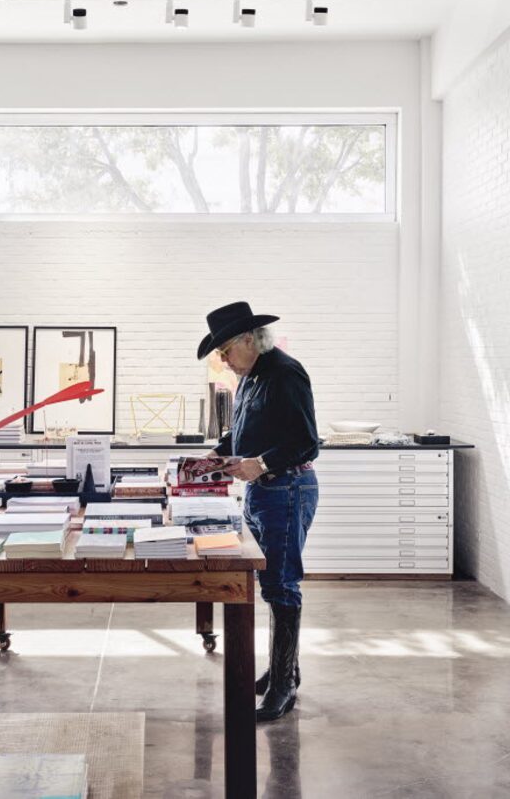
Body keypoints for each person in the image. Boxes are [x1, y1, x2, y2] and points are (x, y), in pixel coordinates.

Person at [197, 301, 319, 723]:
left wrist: (261, 464)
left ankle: (283, 686)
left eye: (226, 350)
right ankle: (287, 670)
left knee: (281, 587)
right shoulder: (251, 377)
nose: (223, 359)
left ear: (250, 340)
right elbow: (244, 431)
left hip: (286, 489)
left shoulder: (286, 373)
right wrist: (216, 454)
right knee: (271, 582)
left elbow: (307, 443)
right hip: (264, 493)